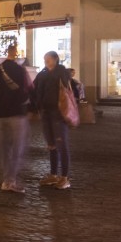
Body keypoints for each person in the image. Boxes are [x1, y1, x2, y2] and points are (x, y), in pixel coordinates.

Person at [0, 44, 33, 193]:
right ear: (15, 53)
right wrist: (26, 106)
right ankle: (11, 181)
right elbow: (28, 91)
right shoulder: (20, 71)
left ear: (6, 53)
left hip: (0, 115)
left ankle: (7, 180)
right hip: (17, 114)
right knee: (17, 150)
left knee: (5, 150)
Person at [31, 51, 73, 190]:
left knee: (62, 144)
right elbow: (33, 87)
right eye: (44, 59)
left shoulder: (61, 72)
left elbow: (67, 83)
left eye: (48, 59)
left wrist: (58, 71)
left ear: (56, 59)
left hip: (58, 112)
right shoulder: (42, 73)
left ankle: (65, 177)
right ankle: (53, 174)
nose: (45, 61)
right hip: (45, 112)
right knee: (51, 145)